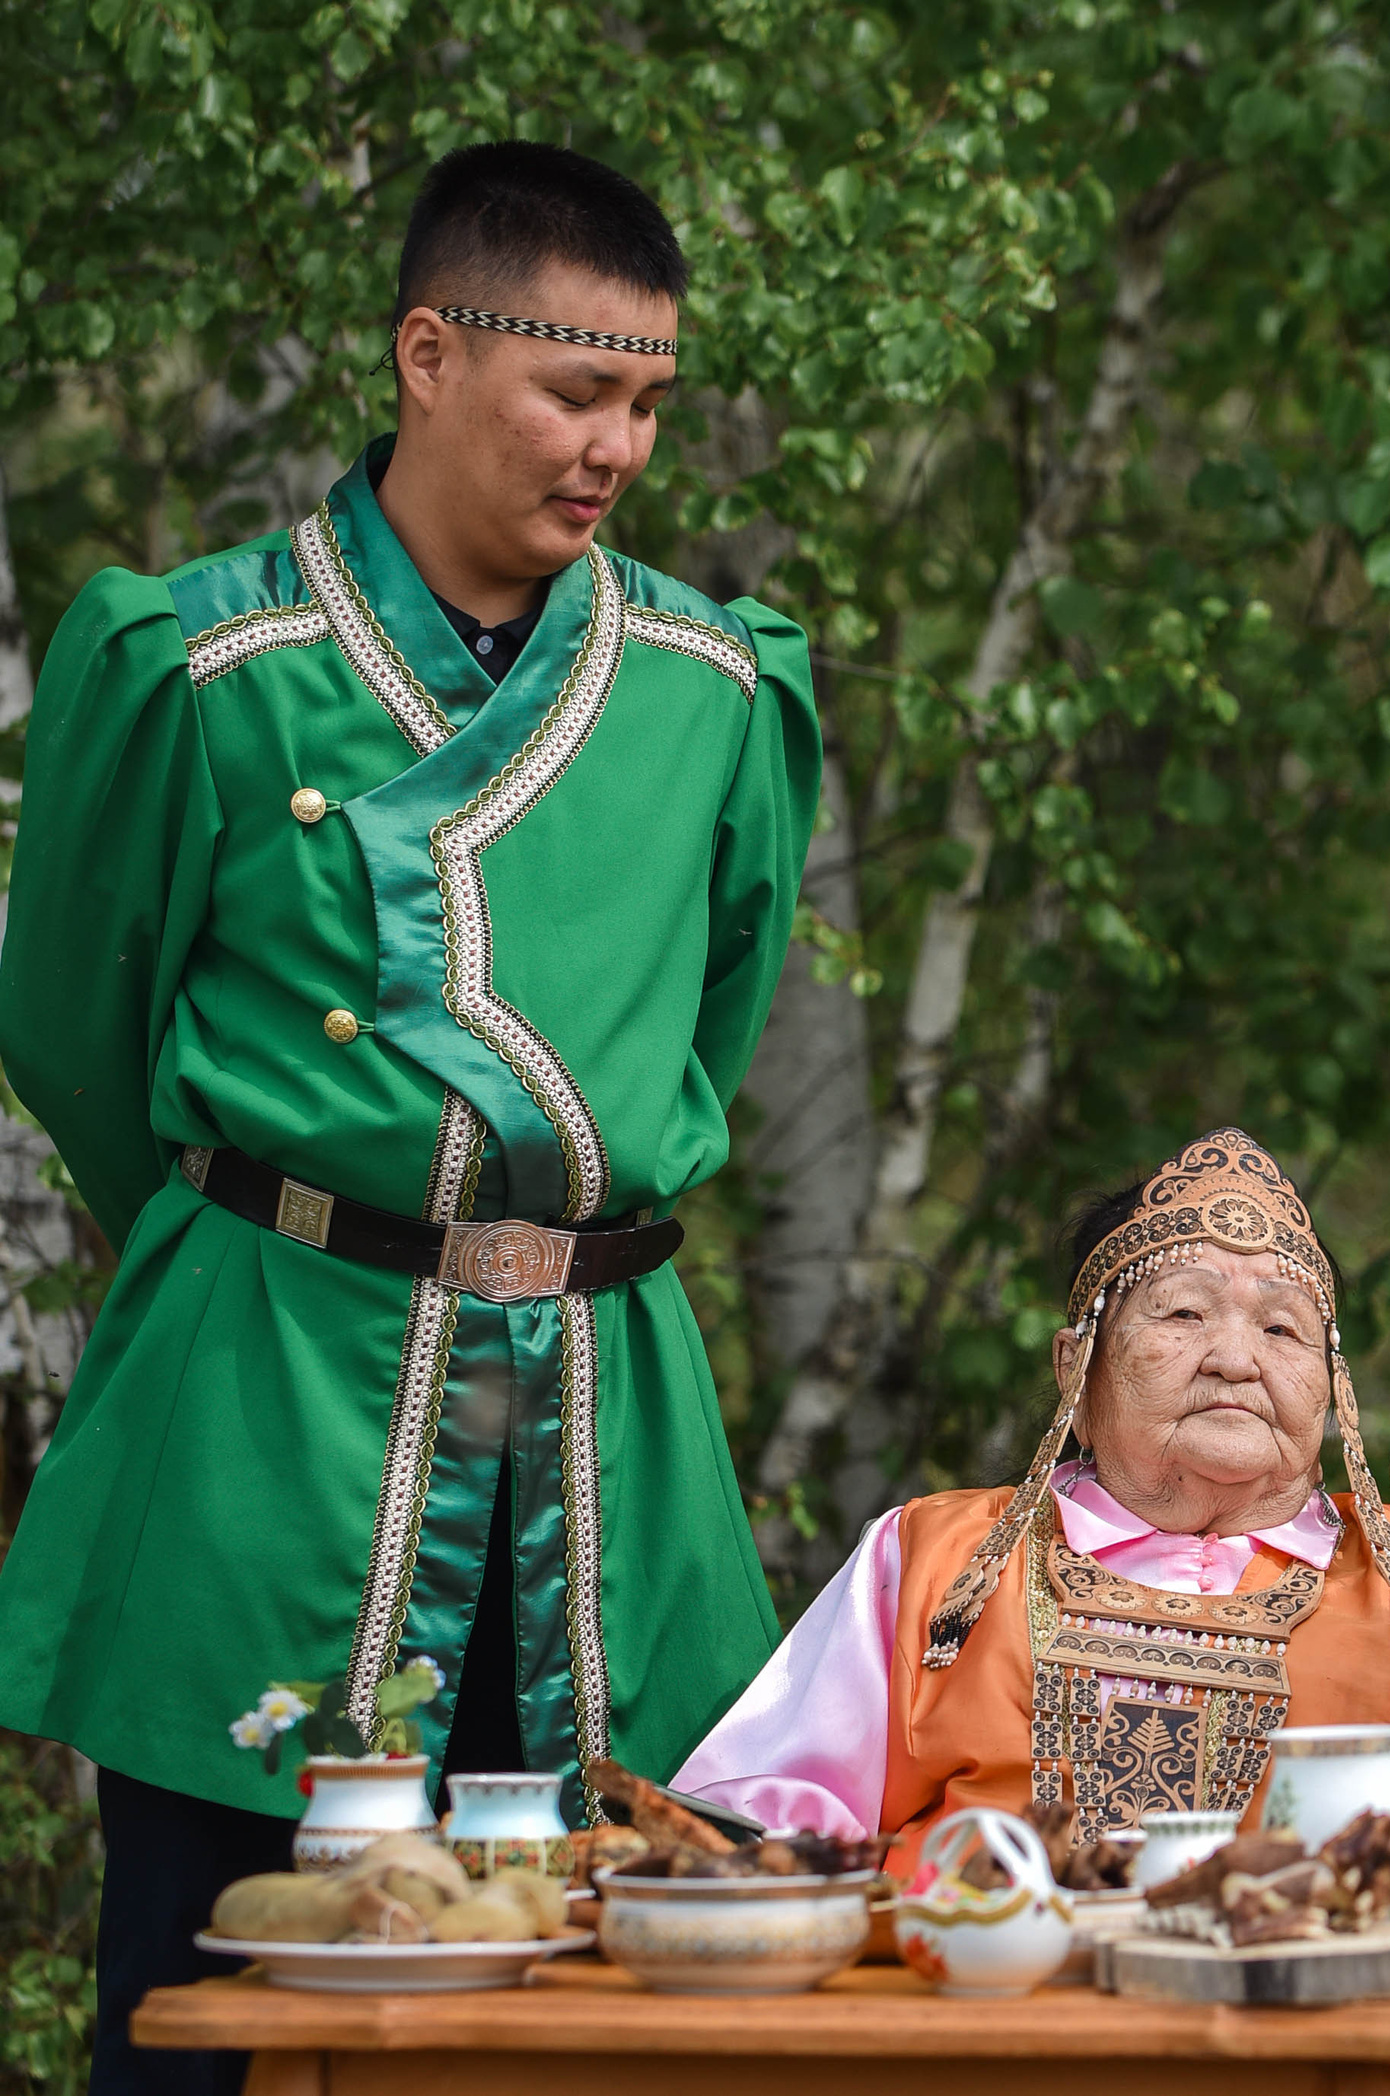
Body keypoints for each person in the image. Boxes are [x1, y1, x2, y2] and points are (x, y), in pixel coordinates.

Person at [0, 141, 819, 2093]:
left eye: (647, 400)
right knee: (208, 2003)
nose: (615, 443)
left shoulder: (715, 688)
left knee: (593, 2016)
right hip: (271, 1398)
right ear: (428, 355)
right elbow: (73, 1025)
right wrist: (257, 1235)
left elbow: (709, 1014)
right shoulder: (201, 661)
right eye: (573, 388)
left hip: (602, 1424)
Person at [678, 1128, 1390, 2096]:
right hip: (974, 2034)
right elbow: (770, 1820)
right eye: (1183, 1314)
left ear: (1331, 1386)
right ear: (1077, 1361)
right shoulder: (935, 1554)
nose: (1235, 1358)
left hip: (1338, 2043)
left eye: (1283, 1327)